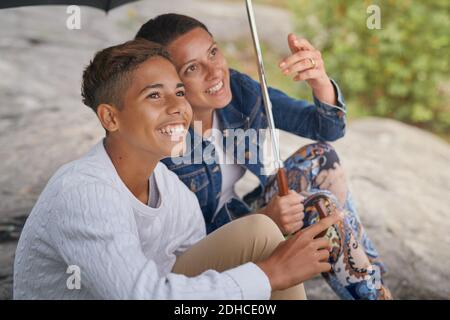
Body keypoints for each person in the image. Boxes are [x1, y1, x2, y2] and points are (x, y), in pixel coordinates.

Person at [13, 39, 342, 300]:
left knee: (259, 231)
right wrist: (270, 274)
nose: (177, 108)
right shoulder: (85, 193)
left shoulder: (171, 190)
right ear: (110, 118)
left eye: (179, 92)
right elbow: (140, 295)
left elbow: (200, 290)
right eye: (154, 95)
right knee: (268, 265)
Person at [135, 14, 392, 300]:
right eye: (193, 68)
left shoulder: (240, 92)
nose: (215, 72)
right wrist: (263, 218)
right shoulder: (163, 142)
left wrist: (319, 81)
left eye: (213, 52)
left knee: (322, 156)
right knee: (321, 206)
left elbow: (326, 128)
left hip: (242, 213)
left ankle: (375, 282)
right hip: (208, 248)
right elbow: (177, 242)